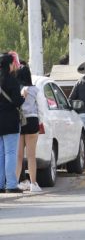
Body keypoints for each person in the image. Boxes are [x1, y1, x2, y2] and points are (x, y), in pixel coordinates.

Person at [0, 52, 25, 193]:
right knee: (10, 153)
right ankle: (11, 184)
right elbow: (17, 102)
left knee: (0, 154)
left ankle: (0, 184)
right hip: (10, 121)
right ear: (10, 65)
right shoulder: (12, 80)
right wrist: (23, 97)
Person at [15, 62, 41, 192]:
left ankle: (14, 183)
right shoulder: (35, 90)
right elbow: (41, 107)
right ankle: (33, 184)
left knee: (18, 156)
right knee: (31, 156)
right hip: (32, 120)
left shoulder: (16, 90)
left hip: (19, 121)